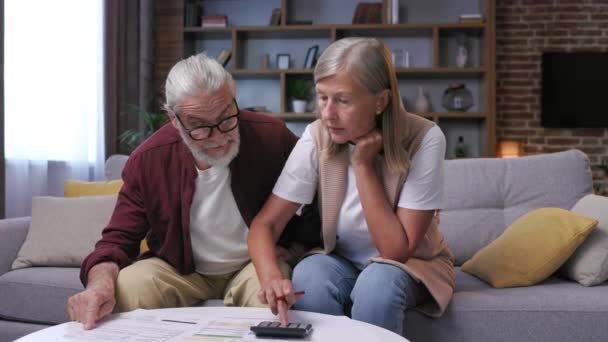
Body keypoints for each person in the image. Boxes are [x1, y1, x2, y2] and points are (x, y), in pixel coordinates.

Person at [67, 53, 320, 330]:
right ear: (174, 120)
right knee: (128, 285)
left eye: (226, 118)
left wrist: (294, 250)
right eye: (200, 126)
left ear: (234, 98)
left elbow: (317, 198)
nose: (219, 137)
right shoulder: (148, 159)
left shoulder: (272, 136)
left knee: (271, 306)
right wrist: (98, 287)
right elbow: (116, 241)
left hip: (253, 266)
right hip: (180, 269)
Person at [248, 37, 455, 334]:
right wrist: (270, 277)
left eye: (343, 100)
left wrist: (363, 166)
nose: (328, 114)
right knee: (309, 276)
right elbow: (265, 224)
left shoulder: (425, 137)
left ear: (380, 101)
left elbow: (396, 251)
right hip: (341, 261)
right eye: (322, 97)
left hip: (413, 266)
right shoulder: (318, 134)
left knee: (377, 284)